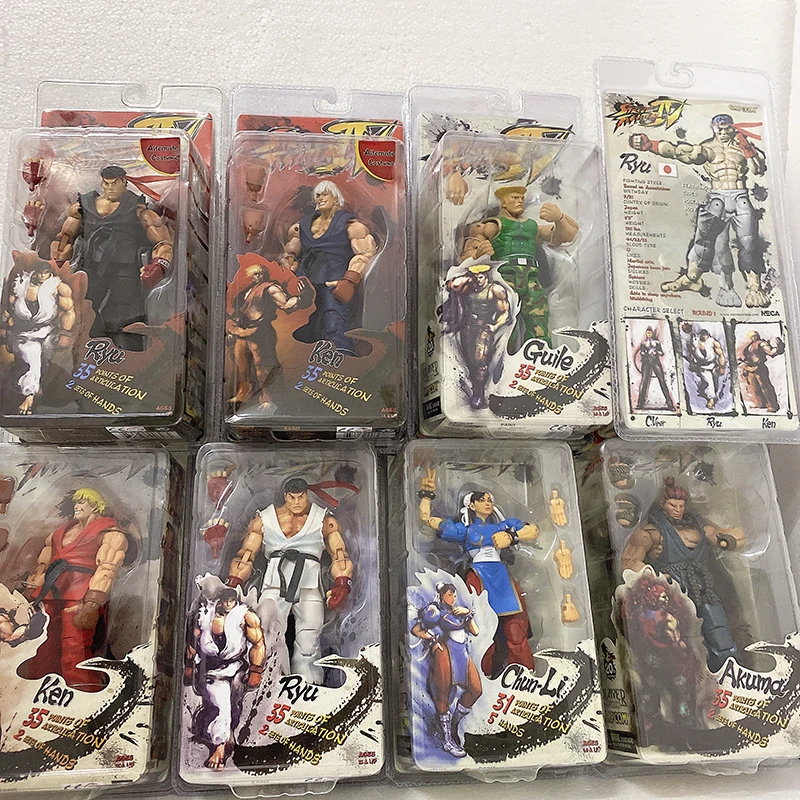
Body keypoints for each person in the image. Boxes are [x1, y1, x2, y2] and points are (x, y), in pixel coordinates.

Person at [418, 466, 569, 677]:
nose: (488, 502)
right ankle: (481, 676)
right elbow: (427, 520)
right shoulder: (465, 529)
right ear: (472, 505)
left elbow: (533, 530)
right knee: (478, 628)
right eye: (482, 500)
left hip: (501, 577)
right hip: (477, 576)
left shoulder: (503, 526)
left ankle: (524, 676)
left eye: (490, 499)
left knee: (515, 629)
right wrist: (426, 495)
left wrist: (512, 537)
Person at [630, 114, 769, 308]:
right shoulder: (707, 148)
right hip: (718, 198)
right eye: (719, 129)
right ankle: (693, 278)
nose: (723, 132)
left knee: (749, 242)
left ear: (733, 128)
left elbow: (758, 169)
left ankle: (754, 288)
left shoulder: (742, 147)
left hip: (741, 198)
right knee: (707, 242)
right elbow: (680, 152)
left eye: (727, 128)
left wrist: (748, 151)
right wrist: (650, 145)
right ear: (713, 129)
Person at [226, 477, 353, 684]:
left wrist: (342, 584)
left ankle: (309, 684)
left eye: (301, 497)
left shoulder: (322, 519)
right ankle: (268, 683)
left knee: (309, 639)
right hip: (274, 584)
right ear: (285, 496)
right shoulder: (264, 519)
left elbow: (339, 553)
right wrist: (233, 583)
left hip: (310, 585)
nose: (296, 502)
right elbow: (246, 554)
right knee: (267, 634)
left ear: (307, 495)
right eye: (292, 497)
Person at [620, 477, 745, 671]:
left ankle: (729, 670)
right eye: (673, 505)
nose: (678, 509)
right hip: (672, 594)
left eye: (681, 505)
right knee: (679, 642)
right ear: (663, 505)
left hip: (703, 588)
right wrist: (654, 579)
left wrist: (729, 540)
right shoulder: (651, 531)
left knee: (718, 630)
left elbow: (730, 535)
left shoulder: (698, 526)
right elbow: (629, 562)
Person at [50, 165, 173, 351]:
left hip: (125, 269)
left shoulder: (136, 207)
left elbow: (162, 240)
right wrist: (58, 266)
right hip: (90, 266)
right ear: (102, 183)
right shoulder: (83, 206)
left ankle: (127, 354)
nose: (110, 188)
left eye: (115, 183)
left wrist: (158, 266)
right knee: (82, 309)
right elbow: (65, 237)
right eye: (106, 184)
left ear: (124, 182)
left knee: (124, 314)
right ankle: (86, 350)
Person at [20, 488, 130, 691]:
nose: (76, 506)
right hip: (50, 592)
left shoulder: (109, 533)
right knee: (42, 644)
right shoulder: (59, 534)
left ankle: (83, 693)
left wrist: (93, 601)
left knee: (75, 647)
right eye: (75, 502)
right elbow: (44, 564)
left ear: (95, 506)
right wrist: (30, 592)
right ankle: (33, 692)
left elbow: (108, 567)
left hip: (79, 593)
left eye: (82, 502)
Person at [461, 185, 578, 345]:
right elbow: (466, 258)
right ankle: (504, 358)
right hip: (504, 279)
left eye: (522, 198)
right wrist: (479, 256)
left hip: (531, 278)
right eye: (515, 198)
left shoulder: (532, 226)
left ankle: (539, 357)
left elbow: (568, 236)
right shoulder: (490, 226)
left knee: (539, 321)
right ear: (503, 202)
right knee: (504, 324)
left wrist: (559, 218)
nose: (520, 201)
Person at [280, 180, 377, 355]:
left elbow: (365, 254)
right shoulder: (301, 226)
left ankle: (343, 356)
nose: (320, 198)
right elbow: (291, 252)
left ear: (336, 197)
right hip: (305, 279)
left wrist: (349, 280)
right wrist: (288, 268)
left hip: (334, 278)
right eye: (318, 195)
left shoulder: (351, 226)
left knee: (335, 319)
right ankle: (296, 358)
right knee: (300, 321)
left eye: (325, 194)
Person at [185, 587, 265, 771]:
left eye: (231, 601)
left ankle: (227, 738)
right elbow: (192, 641)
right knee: (222, 704)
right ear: (219, 600)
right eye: (225, 600)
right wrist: (189, 665)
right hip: (211, 669)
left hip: (236, 668)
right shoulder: (204, 614)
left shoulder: (246, 616)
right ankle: (219, 748)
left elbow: (258, 643)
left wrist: (256, 669)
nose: (228, 604)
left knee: (232, 705)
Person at [226, 255, 313, 412]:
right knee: (242, 365)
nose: (258, 276)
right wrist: (231, 328)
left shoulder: (270, 288)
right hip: (243, 332)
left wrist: (302, 299)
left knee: (263, 366)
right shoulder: (246, 291)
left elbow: (286, 304)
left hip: (261, 332)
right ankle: (244, 393)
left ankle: (269, 398)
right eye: (255, 273)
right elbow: (239, 313)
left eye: (261, 273)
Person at [411, 582, 482, 759]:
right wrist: (432, 639)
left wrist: (468, 614)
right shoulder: (435, 611)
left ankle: (454, 722)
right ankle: (447, 739)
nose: (453, 598)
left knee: (476, 690)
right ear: (442, 596)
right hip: (445, 653)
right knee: (442, 695)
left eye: (454, 595)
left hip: (461, 653)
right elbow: (417, 630)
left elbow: (475, 631)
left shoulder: (459, 611)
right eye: (449, 595)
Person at [3, 252, 75, 414]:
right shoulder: (21, 283)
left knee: (51, 362)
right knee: (33, 358)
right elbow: (8, 307)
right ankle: (29, 395)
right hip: (23, 333)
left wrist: (66, 332)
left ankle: (44, 392)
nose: (42, 276)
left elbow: (68, 310)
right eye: (40, 273)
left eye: (45, 273)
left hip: (49, 332)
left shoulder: (58, 287)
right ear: (35, 272)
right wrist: (5, 323)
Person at [440, 262, 511, 409]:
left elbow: (505, 313)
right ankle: (476, 389)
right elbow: (451, 286)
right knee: (470, 361)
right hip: (467, 327)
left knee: (480, 359)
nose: (478, 280)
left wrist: (495, 326)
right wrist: (467, 278)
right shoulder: (469, 287)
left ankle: (479, 394)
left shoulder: (495, 289)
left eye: (481, 277)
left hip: (484, 327)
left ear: (486, 275)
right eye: (476, 277)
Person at [739, 330, 784, 412]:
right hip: (750, 368)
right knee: (755, 387)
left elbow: (771, 352)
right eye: (752, 336)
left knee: (765, 387)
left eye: (755, 335)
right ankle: (761, 404)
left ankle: (773, 405)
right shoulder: (750, 345)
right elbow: (748, 356)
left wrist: (779, 349)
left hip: (760, 368)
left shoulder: (762, 344)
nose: (754, 337)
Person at [635, 326, 676, 411]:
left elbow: (661, 353)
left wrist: (656, 352)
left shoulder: (656, 343)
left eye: (650, 332)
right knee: (644, 381)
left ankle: (669, 403)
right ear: (646, 334)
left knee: (662, 381)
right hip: (646, 362)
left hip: (655, 361)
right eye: (648, 333)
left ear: (652, 333)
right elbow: (641, 353)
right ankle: (640, 403)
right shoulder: (643, 343)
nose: (649, 334)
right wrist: (646, 353)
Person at [684, 328, 727, 409]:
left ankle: (702, 387)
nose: (704, 337)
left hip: (714, 365)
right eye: (703, 335)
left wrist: (722, 366)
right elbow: (692, 354)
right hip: (702, 367)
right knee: (709, 382)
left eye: (706, 335)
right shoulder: (695, 343)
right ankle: (711, 400)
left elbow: (721, 354)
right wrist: (692, 363)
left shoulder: (712, 342)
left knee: (715, 382)